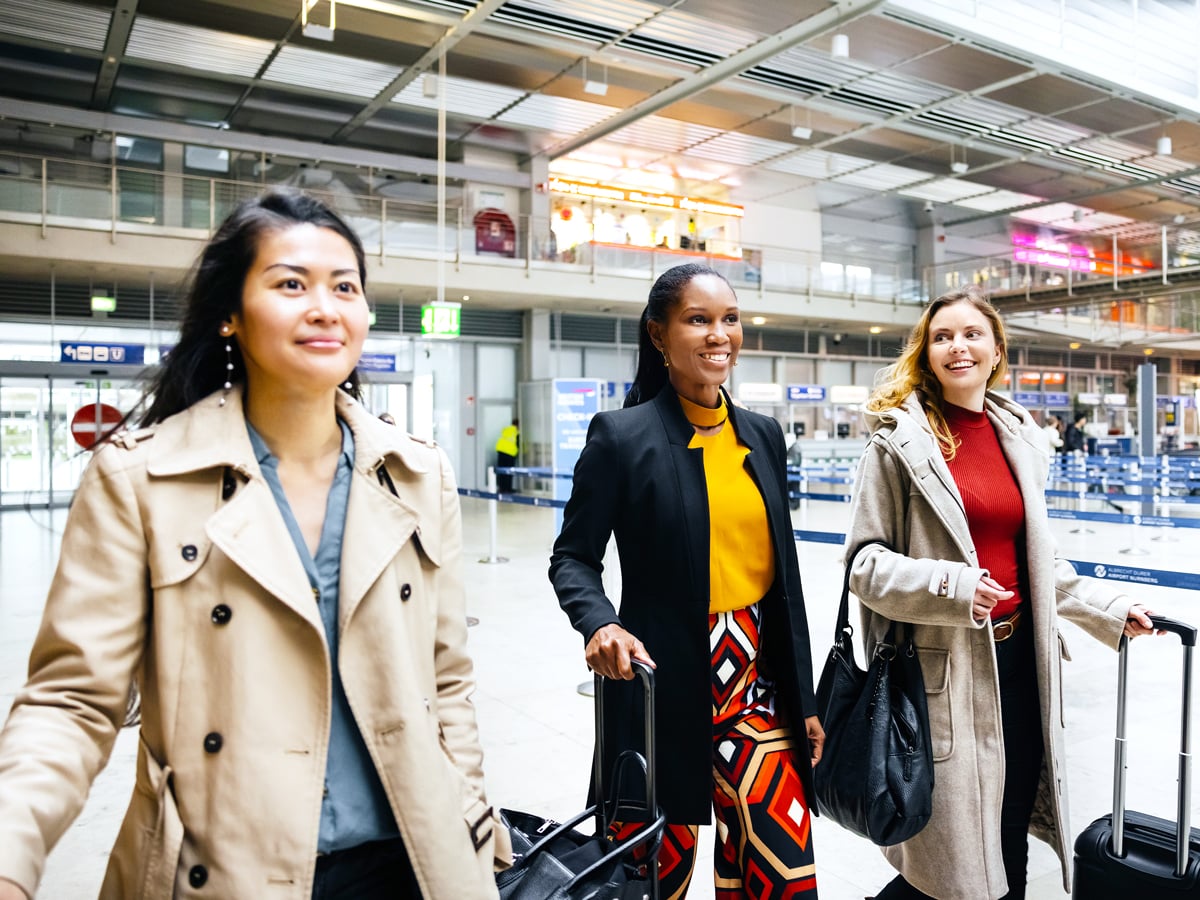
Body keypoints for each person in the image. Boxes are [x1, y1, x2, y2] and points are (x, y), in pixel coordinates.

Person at [0, 190, 507, 900]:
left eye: (346, 287)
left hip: (416, 864)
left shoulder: (419, 475)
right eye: (291, 284)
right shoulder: (140, 478)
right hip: (228, 870)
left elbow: (446, 680)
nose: (326, 307)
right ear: (230, 316)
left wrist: (473, 813)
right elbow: (71, 703)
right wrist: (11, 853)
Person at [844, 285, 1156, 900]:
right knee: (950, 855)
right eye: (941, 337)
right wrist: (951, 585)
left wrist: (1110, 609)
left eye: (971, 334)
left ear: (995, 350)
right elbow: (864, 565)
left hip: (1019, 664)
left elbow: (1037, 562)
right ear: (926, 353)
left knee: (1008, 825)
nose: (957, 346)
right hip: (945, 670)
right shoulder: (898, 445)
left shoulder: (1019, 438)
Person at [549, 263, 824, 898]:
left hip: (756, 693)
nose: (718, 334)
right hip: (656, 695)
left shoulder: (762, 435)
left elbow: (784, 581)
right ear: (659, 335)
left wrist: (803, 699)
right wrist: (601, 622)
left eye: (730, 319)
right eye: (698, 320)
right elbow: (573, 557)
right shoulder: (622, 438)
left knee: (781, 873)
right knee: (650, 881)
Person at [494, 419, 519, 493]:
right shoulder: (516, 432)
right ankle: (508, 489)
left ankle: (501, 488)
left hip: (501, 452)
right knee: (509, 472)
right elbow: (518, 444)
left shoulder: (506, 430)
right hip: (509, 453)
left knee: (502, 471)